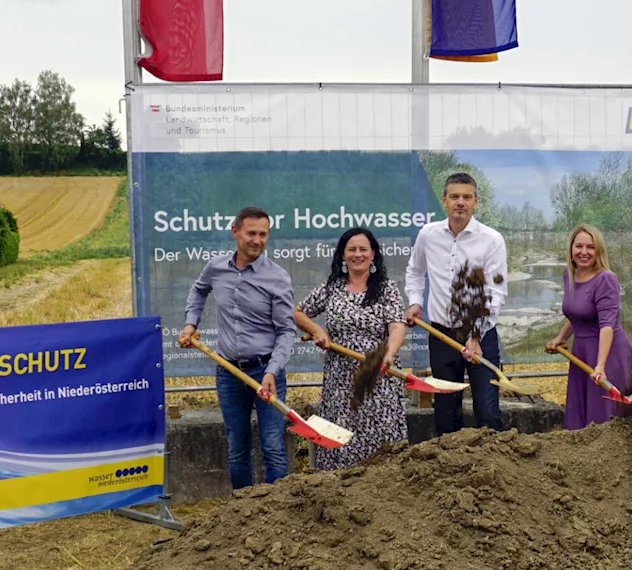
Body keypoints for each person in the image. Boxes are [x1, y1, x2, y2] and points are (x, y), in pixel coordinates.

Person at [178, 206, 296, 491]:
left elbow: (286, 330)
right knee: (237, 447)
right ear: (235, 232)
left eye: (263, 234)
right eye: (251, 233)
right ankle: (241, 515)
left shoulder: (277, 277)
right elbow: (198, 290)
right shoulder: (216, 267)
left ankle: (276, 514)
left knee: (272, 446)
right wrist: (191, 322)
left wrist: (271, 371)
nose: (257, 240)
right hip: (229, 372)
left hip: (266, 372)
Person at [294, 227, 408, 471]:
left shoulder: (388, 288)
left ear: (373, 254)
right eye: (352, 249)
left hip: (378, 377)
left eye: (363, 249)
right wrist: (318, 331)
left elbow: (397, 327)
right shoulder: (332, 288)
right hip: (341, 379)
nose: (358, 255)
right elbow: (298, 312)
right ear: (343, 255)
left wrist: (388, 355)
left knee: (381, 439)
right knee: (342, 437)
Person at [404, 172, 509, 436]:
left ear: (476, 201)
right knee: (446, 411)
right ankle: (450, 473)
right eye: (454, 197)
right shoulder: (428, 235)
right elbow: (415, 271)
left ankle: (495, 469)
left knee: (487, 410)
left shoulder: (491, 240)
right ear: (444, 201)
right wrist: (415, 302)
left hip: (481, 335)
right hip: (441, 335)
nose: (460, 202)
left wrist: (475, 335)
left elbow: (496, 292)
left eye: (466, 197)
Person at [544, 224, 632, 430]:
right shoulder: (570, 275)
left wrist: (600, 366)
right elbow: (578, 313)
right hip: (581, 352)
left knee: (602, 416)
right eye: (579, 246)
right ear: (571, 249)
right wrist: (561, 337)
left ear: (599, 251)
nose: (584, 252)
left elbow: (607, 326)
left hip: (607, 352)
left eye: (590, 247)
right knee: (580, 412)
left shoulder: (606, 280)